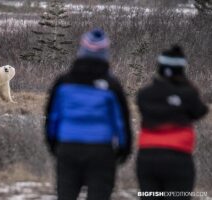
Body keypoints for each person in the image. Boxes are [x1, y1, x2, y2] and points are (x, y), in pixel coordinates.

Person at [44, 29, 132, 200]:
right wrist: (124, 149)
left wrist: (53, 144)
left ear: (81, 51)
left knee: (66, 195)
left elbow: (52, 117)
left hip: (68, 146)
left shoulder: (63, 82)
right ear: (105, 53)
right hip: (101, 150)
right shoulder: (112, 85)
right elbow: (121, 121)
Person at [136, 45, 209, 199]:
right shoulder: (188, 94)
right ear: (182, 69)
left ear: (159, 68)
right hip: (178, 157)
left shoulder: (144, 95)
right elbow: (200, 111)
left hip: (147, 156)